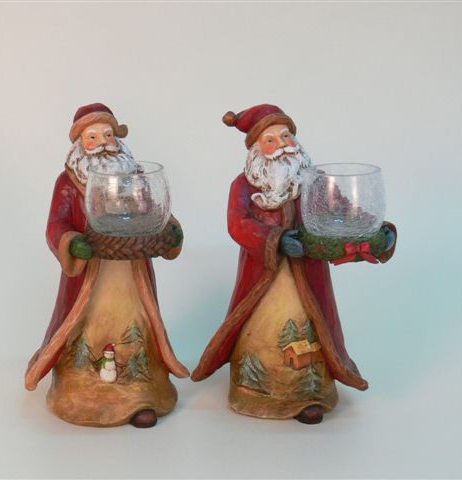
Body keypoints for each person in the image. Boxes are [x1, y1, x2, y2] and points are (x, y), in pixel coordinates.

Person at [191, 104, 396, 424]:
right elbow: (238, 224)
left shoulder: (314, 183)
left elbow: (342, 210)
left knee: (313, 323)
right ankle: (256, 389)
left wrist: (375, 228)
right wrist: (275, 239)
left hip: (308, 274)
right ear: (256, 150)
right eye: (271, 140)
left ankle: (309, 392)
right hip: (263, 274)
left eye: (286, 136)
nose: (283, 145)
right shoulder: (243, 186)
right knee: (261, 327)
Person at [25, 103, 188, 428]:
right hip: (91, 278)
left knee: (136, 323)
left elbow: (153, 209)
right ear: (79, 144)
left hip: (131, 274)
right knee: (85, 324)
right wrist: (72, 242)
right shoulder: (68, 183)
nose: (102, 142)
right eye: (93, 136)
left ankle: (142, 393)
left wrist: (169, 229)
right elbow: (55, 224)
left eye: (108, 135)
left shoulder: (135, 177)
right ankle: (80, 390)